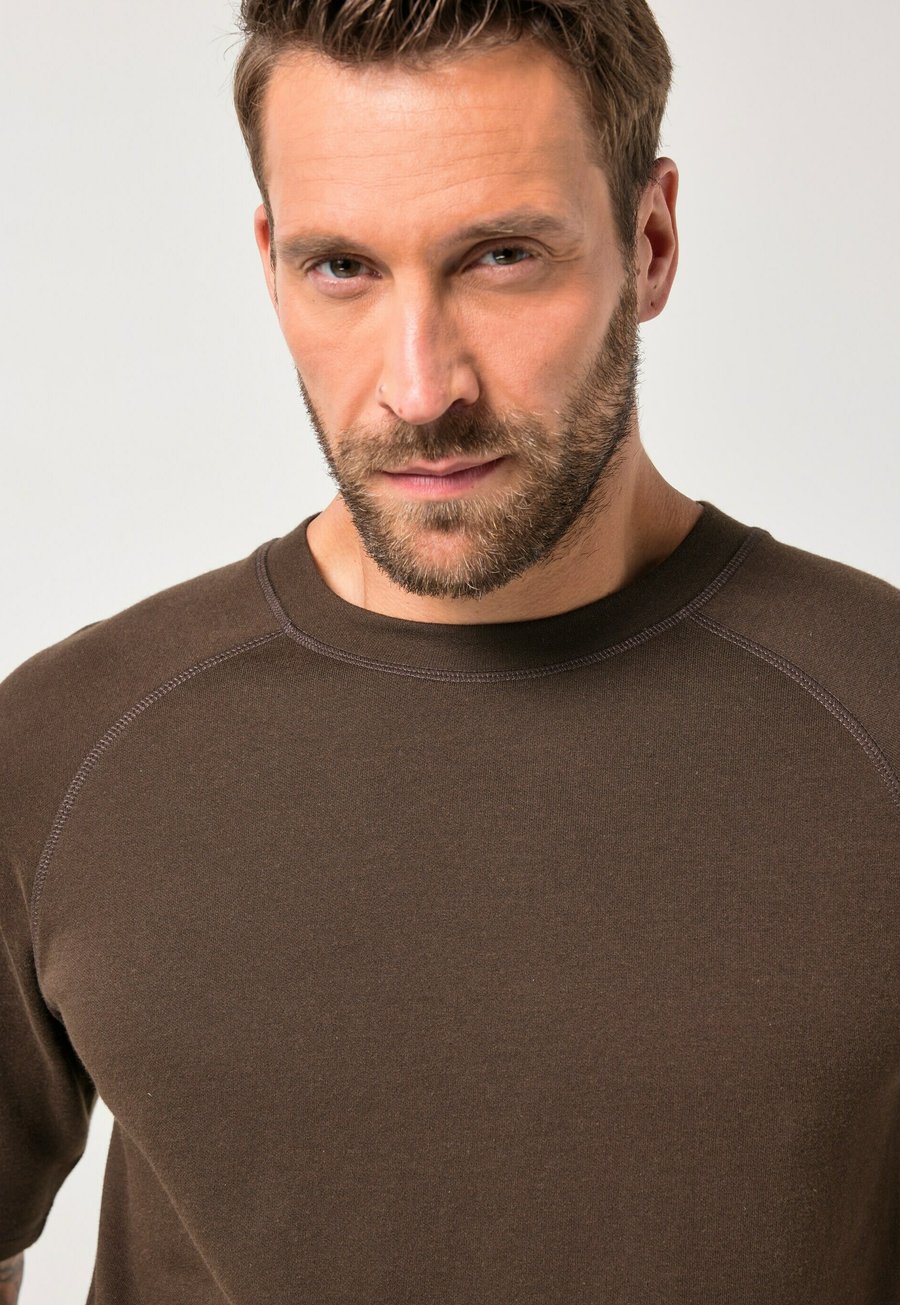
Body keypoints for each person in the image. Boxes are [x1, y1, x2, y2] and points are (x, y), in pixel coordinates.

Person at [0, 0, 897, 1300]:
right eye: (342, 268)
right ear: (269, 262)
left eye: (502, 257)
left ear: (650, 242)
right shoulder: (61, 751)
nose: (420, 389)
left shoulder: (878, 714)